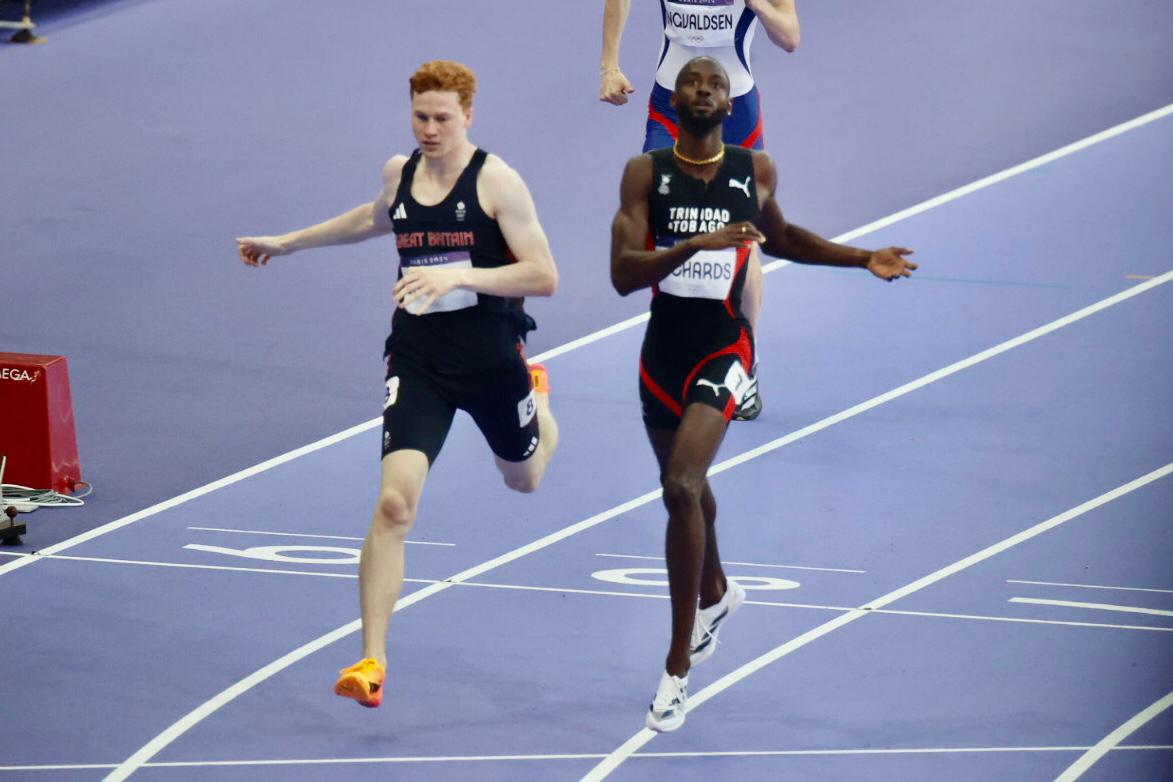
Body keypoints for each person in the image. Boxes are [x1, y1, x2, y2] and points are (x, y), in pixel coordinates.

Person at [237, 60, 560, 708]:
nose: (431, 129)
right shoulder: (400, 173)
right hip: (418, 361)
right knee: (394, 505)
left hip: (492, 359)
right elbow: (370, 219)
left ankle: (540, 403)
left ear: (468, 114)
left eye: (443, 118)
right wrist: (287, 242)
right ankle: (371, 659)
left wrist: (460, 276)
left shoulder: (496, 182)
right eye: (421, 117)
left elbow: (543, 275)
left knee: (523, 478)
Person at [610, 56, 916, 732]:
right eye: (692, 80)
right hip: (661, 353)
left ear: (729, 105)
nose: (702, 89)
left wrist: (861, 256)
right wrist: (697, 244)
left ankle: (675, 667)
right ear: (675, 96)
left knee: (683, 486)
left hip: (724, 346)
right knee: (677, 481)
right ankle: (715, 593)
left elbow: (783, 239)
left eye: (715, 84)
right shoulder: (645, 175)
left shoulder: (753, 172)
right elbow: (622, 276)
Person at [600, 0, 801, 421]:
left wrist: (758, 5)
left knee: (741, 242)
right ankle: (677, 345)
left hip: (735, 115)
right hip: (670, 110)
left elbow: (789, 37)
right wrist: (609, 65)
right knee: (662, 225)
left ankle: (745, 364)